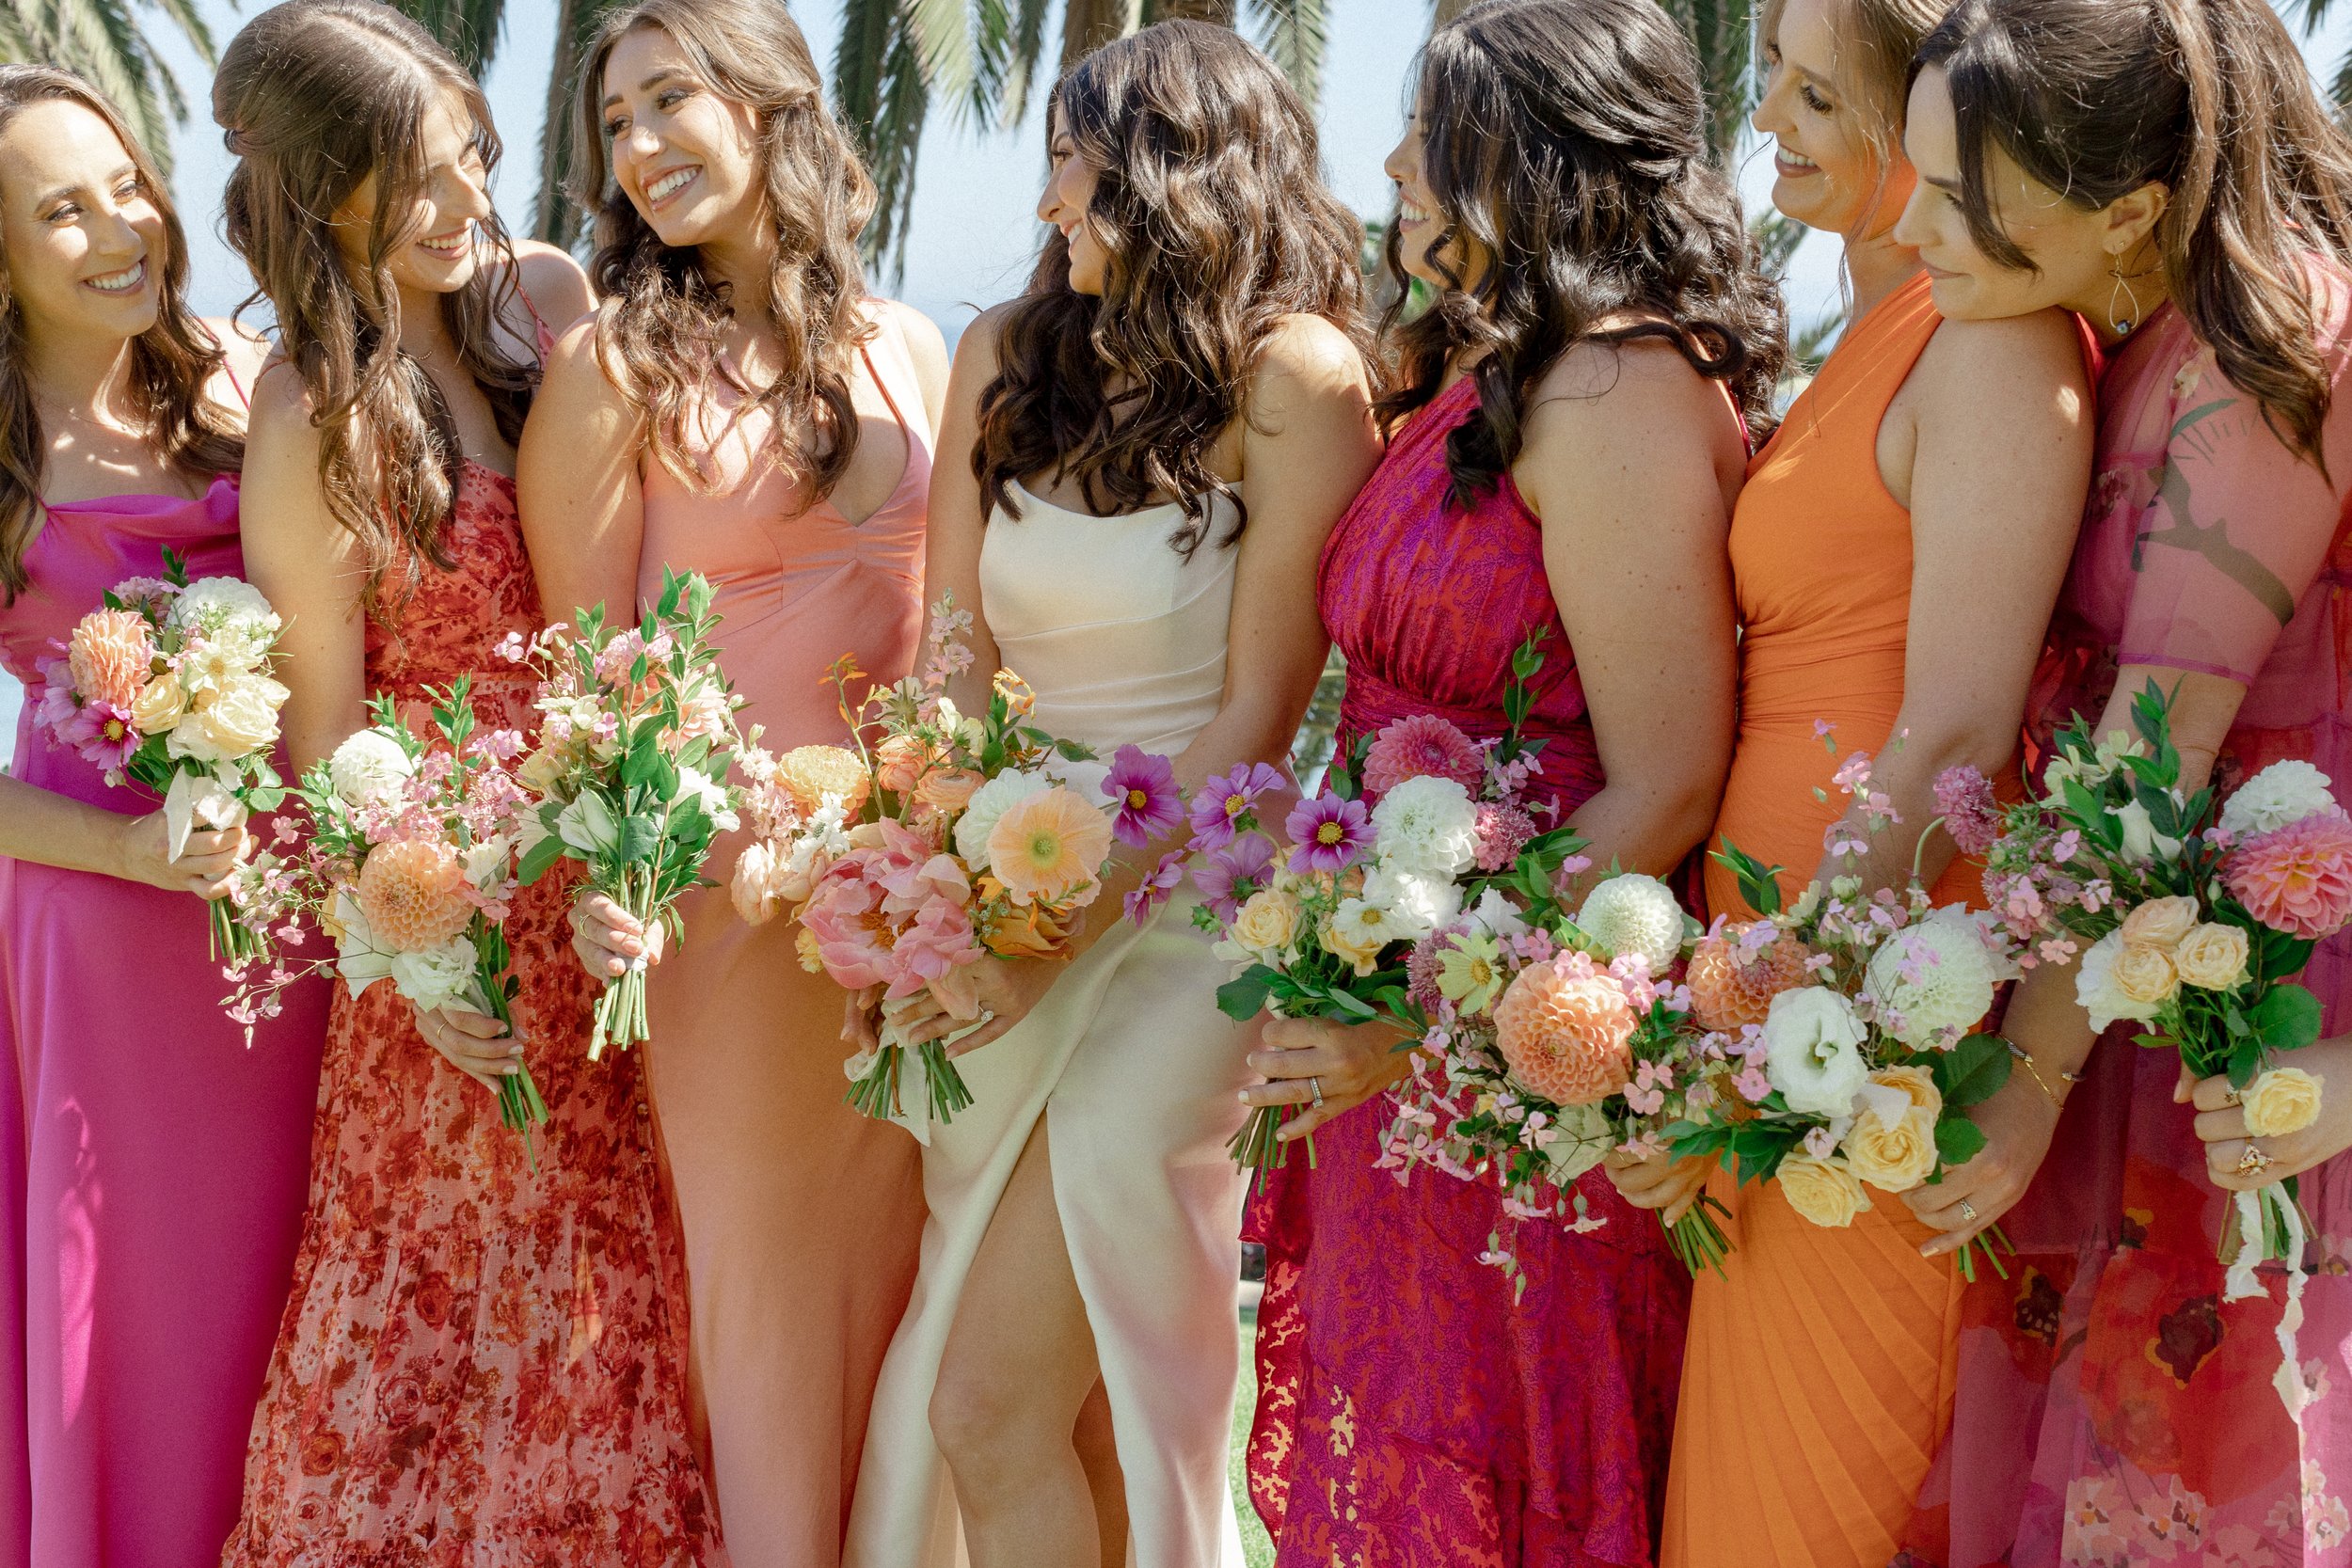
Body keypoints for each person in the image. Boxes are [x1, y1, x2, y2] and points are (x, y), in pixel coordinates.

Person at [1239, 0, 1780, 1560]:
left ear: (1533, 161)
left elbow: (1669, 779)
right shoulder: (1494, 376)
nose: (1394, 160)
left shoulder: (1620, 394)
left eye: (1434, 127)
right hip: (1402, 1042)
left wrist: (1414, 1003)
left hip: (1509, 1054)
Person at [836, 22, 1379, 1568]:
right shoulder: (1005, 352)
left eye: (1072, 161)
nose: (1050, 198)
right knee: (1066, 1419)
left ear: (1162, 172)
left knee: (987, 1407)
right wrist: (918, 899)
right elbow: (952, 659)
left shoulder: (1298, 381)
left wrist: (1053, 936)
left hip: (1183, 917)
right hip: (998, 892)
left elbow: (1259, 725)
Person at [209, 4, 718, 1560]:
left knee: (614, 1319)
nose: (469, 204)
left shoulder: (548, 303)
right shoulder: (310, 410)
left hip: (610, 907)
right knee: (423, 1326)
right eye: (420, 178)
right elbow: (328, 740)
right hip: (449, 945)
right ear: (325, 187)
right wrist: (422, 956)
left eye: (477, 159)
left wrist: (635, 844)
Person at [1594, 0, 2098, 1558]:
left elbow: (1955, 730)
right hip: (1786, 992)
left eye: (1820, 96)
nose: (1773, 126)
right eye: (1774, 85)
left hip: (1871, 1015)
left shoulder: (1995, 342)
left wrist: (1756, 1029)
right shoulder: (1872, 328)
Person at [1886, 0, 2352, 1558]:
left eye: (1965, 198)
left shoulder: (2262, 342)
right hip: (2132, 970)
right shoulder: (2143, 339)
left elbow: (2159, 751)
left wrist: (2021, 1086)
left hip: (2268, 1002)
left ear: (2133, 210)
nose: (1917, 225)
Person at [526, 2, 940, 1559]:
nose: (636, 151)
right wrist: (621, 881)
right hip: (723, 913)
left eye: (666, 101)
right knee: (766, 1315)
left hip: (916, 914)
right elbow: (589, 673)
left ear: (770, 100)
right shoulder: (609, 367)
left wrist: (943, 861)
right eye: (613, 125)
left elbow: (959, 643)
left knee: (919, 1301)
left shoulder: (912, 347)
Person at [0, 64, 326, 1568]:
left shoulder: (246, 378)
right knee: (133, 1315)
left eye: (125, 182)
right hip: (104, 933)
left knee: (289, 1285)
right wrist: (132, 847)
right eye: (62, 210)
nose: (121, 225)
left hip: (293, 924)